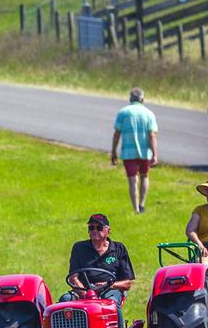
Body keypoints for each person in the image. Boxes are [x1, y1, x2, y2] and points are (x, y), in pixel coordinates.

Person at [109, 87, 160, 215]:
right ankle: (142, 205)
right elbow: (152, 135)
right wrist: (155, 154)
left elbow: (117, 133)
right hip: (144, 152)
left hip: (128, 152)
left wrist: (113, 151)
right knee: (144, 176)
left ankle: (135, 208)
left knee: (132, 180)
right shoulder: (149, 114)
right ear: (142, 99)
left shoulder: (123, 112)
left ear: (130, 98)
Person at [67, 213, 135, 307]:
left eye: (99, 227)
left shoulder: (119, 248)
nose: (95, 230)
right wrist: (85, 293)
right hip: (83, 291)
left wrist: (108, 284)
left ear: (108, 230)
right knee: (66, 300)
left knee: (111, 303)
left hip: (110, 290)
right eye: (91, 228)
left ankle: (119, 322)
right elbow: (73, 277)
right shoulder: (79, 248)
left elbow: (127, 283)